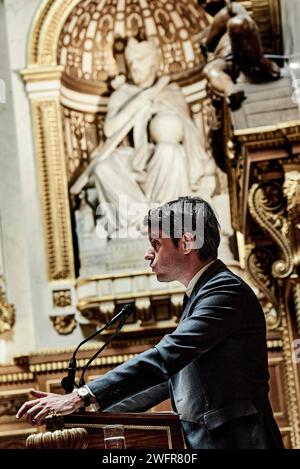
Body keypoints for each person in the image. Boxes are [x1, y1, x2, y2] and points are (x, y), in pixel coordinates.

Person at [16, 197, 284, 449]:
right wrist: (88, 409)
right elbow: (169, 380)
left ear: (187, 242)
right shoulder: (201, 293)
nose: (148, 253)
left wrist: (81, 395)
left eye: (156, 243)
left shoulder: (225, 291)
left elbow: (166, 357)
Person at [72, 38, 214, 236]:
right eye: (131, 63)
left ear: (154, 63)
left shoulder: (171, 92)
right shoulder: (121, 94)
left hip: (160, 155)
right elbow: (109, 130)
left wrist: (159, 110)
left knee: (170, 151)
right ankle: (141, 218)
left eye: (139, 60)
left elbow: (188, 132)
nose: (134, 67)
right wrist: (140, 101)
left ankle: (167, 218)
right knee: (103, 168)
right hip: (133, 157)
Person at [198, 0, 280, 109]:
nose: (207, 2)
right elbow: (207, 55)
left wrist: (207, 42)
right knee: (210, 69)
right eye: (202, 2)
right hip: (226, 62)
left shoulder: (231, 9)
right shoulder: (206, 32)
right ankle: (231, 90)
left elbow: (210, 41)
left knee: (237, 24)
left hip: (247, 52)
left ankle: (260, 66)